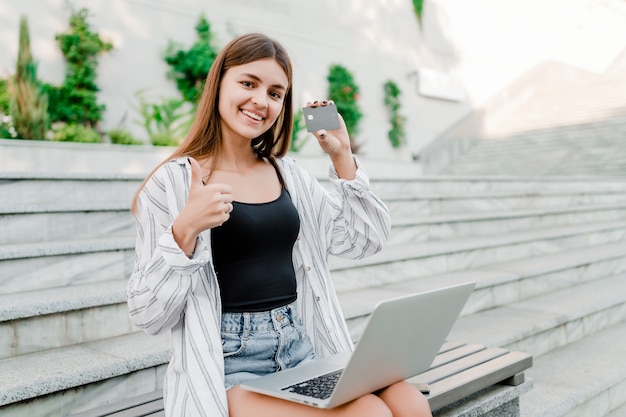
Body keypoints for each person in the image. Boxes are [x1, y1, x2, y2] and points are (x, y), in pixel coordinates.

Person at [127, 32, 432, 417]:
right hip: (229, 364)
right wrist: (184, 231)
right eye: (248, 83)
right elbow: (146, 314)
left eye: (275, 93)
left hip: (299, 346)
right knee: (369, 413)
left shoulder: (290, 174)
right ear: (219, 83)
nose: (261, 101)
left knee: (408, 402)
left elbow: (363, 241)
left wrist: (343, 157)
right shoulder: (172, 183)